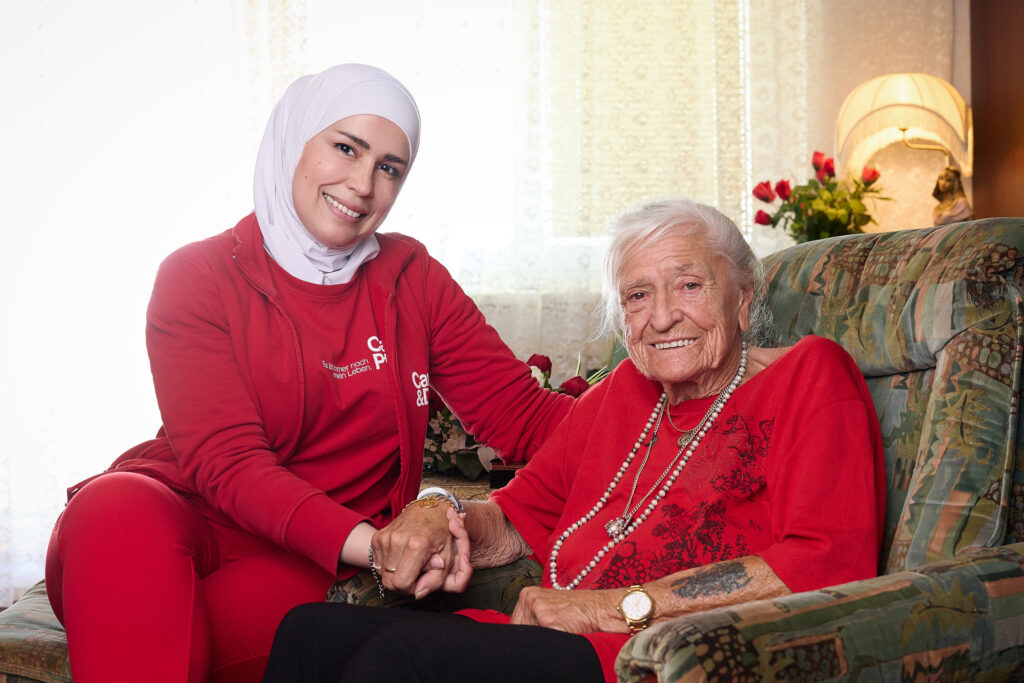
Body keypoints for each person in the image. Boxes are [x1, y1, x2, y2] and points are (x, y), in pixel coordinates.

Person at [44, 64, 572, 682]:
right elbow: (227, 464)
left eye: (389, 168)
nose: (362, 184)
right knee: (114, 507)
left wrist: (660, 407)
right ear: (295, 140)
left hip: (309, 557)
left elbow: (525, 416)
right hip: (174, 522)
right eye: (345, 148)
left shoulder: (413, 277)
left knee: (260, 630)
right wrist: (379, 546)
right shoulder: (197, 275)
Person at [263, 197, 887, 683]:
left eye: (689, 285)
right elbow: (516, 516)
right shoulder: (623, 392)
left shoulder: (809, 375)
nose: (661, 316)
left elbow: (827, 561)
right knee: (309, 632)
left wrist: (600, 610)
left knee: (397, 663)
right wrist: (438, 508)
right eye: (637, 295)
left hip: (667, 658)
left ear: (743, 299)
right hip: (554, 638)